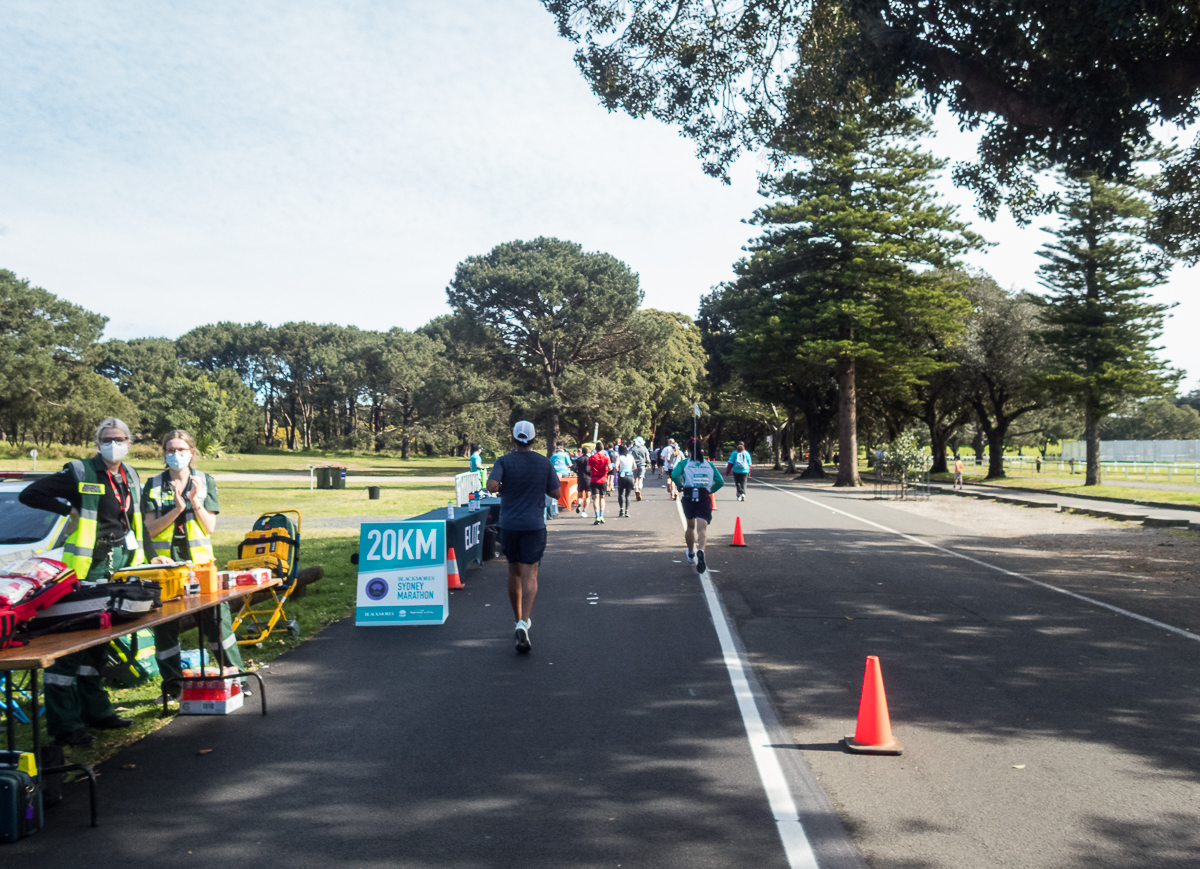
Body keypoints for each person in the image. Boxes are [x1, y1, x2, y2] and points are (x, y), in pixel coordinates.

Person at [17, 417, 145, 746]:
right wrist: (66, 509)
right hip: (83, 570)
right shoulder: (80, 472)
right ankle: (65, 726)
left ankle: (97, 712)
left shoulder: (130, 474)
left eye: (118, 438)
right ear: (98, 442)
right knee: (69, 650)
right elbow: (30, 495)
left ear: (129, 442)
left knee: (98, 645)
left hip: (117, 568)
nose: (112, 444)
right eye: (106, 438)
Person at [142, 429, 247, 702]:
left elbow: (209, 526)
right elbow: (150, 529)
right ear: (163, 453)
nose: (175, 455)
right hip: (165, 568)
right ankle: (173, 688)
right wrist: (176, 509)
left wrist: (194, 503)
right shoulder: (153, 484)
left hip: (200, 566)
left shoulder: (204, 480)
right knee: (165, 628)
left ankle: (237, 679)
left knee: (217, 623)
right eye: (170, 449)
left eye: (181, 449)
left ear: (191, 452)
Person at [486, 421, 561, 653]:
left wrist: (504, 485)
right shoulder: (544, 462)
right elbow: (556, 492)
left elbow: (491, 486)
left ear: (513, 440)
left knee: (514, 572)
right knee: (531, 573)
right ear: (534, 440)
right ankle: (524, 622)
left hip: (509, 525)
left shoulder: (504, 461)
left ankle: (516, 618)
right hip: (534, 525)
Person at [671, 442, 725, 574]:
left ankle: (690, 553)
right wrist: (710, 490)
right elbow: (720, 481)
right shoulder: (709, 464)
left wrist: (680, 486)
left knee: (690, 526)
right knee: (702, 528)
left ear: (688, 451)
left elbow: (674, 475)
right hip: (704, 495)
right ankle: (701, 550)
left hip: (689, 495)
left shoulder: (684, 463)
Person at [588, 441, 612, 524]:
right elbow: (610, 468)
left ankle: (597, 516)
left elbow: (588, 469)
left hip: (594, 479)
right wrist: (605, 470)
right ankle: (602, 516)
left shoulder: (591, 458)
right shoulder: (606, 458)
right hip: (603, 479)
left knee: (595, 499)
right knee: (602, 498)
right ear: (602, 448)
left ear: (595, 449)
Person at [615, 445, 636, 517]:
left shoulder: (619, 457)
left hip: (622, 476)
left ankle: (621, 509)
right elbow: (635, 467)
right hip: (629, 476)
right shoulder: (631, 457)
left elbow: (616, 467)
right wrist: (629, 471)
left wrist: (619, 471)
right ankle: (627, 511)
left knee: (620, 494)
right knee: (627, 495)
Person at [573, 445, 592, 517]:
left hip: (580, 478)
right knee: (587, 496)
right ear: (588, 452)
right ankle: (584, 511)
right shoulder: (589, 459)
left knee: (580, 495)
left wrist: (578, 472)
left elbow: (574, 468)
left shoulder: (578, 459)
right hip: (588, 478)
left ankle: (579, 504)